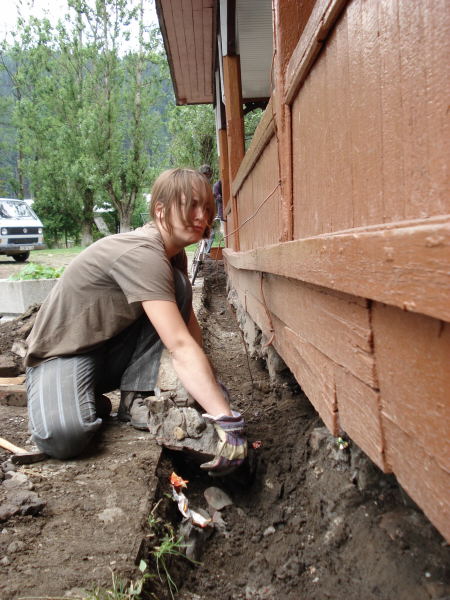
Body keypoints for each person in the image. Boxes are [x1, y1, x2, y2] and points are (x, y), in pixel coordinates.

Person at [25, 168, 246, 474]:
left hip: (107, 350)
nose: (202, 216)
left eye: (208, 208)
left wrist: (214, 393)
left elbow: (187, 327)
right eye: (192, 205)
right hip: (62, 353)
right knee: (65, 439)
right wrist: (228, 421)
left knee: (178, 288)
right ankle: (68, 398)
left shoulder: (172, 254)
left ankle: (134, 399)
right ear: (160, 209)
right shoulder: (143, 252)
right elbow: (179, 346)